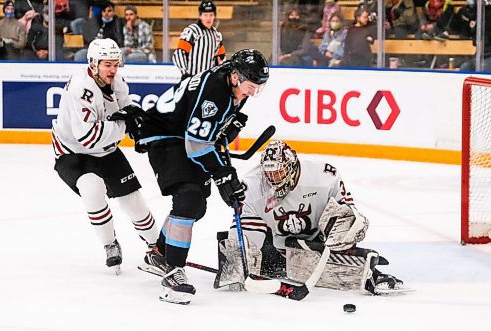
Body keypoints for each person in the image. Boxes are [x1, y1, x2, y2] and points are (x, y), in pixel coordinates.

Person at [134, 49, 270, 305]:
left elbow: (208, 135)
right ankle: (173, 273)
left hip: (183, 133)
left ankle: (160, 254)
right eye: (251, 87)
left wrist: (224, 140)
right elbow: (195, 145)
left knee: (198, 206)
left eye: (258, 88)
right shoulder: (215, 92)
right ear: (235, 77)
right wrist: (222, 173)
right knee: (189, 199)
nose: (253, 93)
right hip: (165, 136)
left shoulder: (234, 84)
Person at [214, 140, 408, 296]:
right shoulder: (253, 186)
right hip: (277, 247)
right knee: (253, 254)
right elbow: (245, 229)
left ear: (291, 167)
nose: (273, 178)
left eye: (279, 172)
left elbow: (349, 213)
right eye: (269, 174)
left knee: (342, 237)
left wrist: (345, 228)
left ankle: (370, 274)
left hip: (317, 241)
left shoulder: (323, 176)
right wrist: (236, 261)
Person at [51, 38, 160, 275]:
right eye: (107, 65)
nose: (113, 70)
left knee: (134, 201)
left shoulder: (116, 79)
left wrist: (135, 123)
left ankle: (158, 247)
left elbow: (124, 107)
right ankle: (110, 244)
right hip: (73, 152)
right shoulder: (82, 89)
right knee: (92, 189)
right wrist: (124, 126)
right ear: (93, 64)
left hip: (106, 149)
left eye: (115, 64)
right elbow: (88, 138)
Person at [172, 0, 226, 79]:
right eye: (205, 15)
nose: (208, 18)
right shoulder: (192, 31)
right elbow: (179, 53)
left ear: (214, 16)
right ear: (200, 16)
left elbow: (221, 57)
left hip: (208, 80)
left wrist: (219, 73)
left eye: (211, 15)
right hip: (191, 78)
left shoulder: (216, 35)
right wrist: (185, 74)